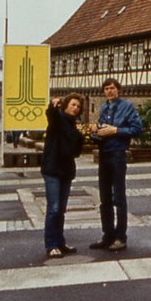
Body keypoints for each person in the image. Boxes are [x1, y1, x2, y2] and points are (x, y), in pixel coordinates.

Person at [89, 78, 143, 252]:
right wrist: (96, 131)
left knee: (118, 198)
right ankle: (108, 235)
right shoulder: (104, 107)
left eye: (112, 88)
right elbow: (103, 129)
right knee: (104, 199)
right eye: (106, 89)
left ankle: (121, 237)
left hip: (118, 154)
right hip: (104, 154)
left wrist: (116, 130)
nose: (109, 91)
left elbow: (137, 129)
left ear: (118, 89)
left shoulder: (127, 106)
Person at [41, 93, 86, 258]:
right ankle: (51, 244)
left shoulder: (73, 125)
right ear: (66, 105)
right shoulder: (58, 119)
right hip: (52, 169)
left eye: (78, 106)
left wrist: (81, 137)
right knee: (53, 208)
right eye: (73, 104)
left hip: (66, 171)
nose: (75, 108)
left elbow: (76, 152)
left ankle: (60, 242)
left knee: (60, 209)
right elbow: (51, 115)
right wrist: (52, 105)